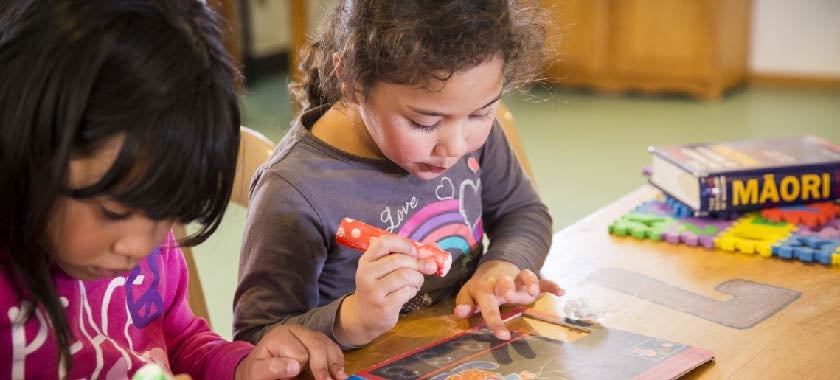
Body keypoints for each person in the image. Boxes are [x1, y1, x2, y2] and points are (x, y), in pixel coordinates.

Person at [0, 1, 347, 379]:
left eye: (166, 213)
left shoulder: (150, 256)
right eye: (115, 212)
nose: (139, 246)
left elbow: (180, 343)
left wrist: (243, 368)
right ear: (27, 148)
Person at [234, 0, 564, 351]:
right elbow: (258, 338)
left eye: (480, 114)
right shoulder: (295, 190)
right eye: (425, 123)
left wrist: (501, 266)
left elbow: (523, 213)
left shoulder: (464, 127)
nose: (455, 147)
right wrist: (352, 320)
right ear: (350, 79)